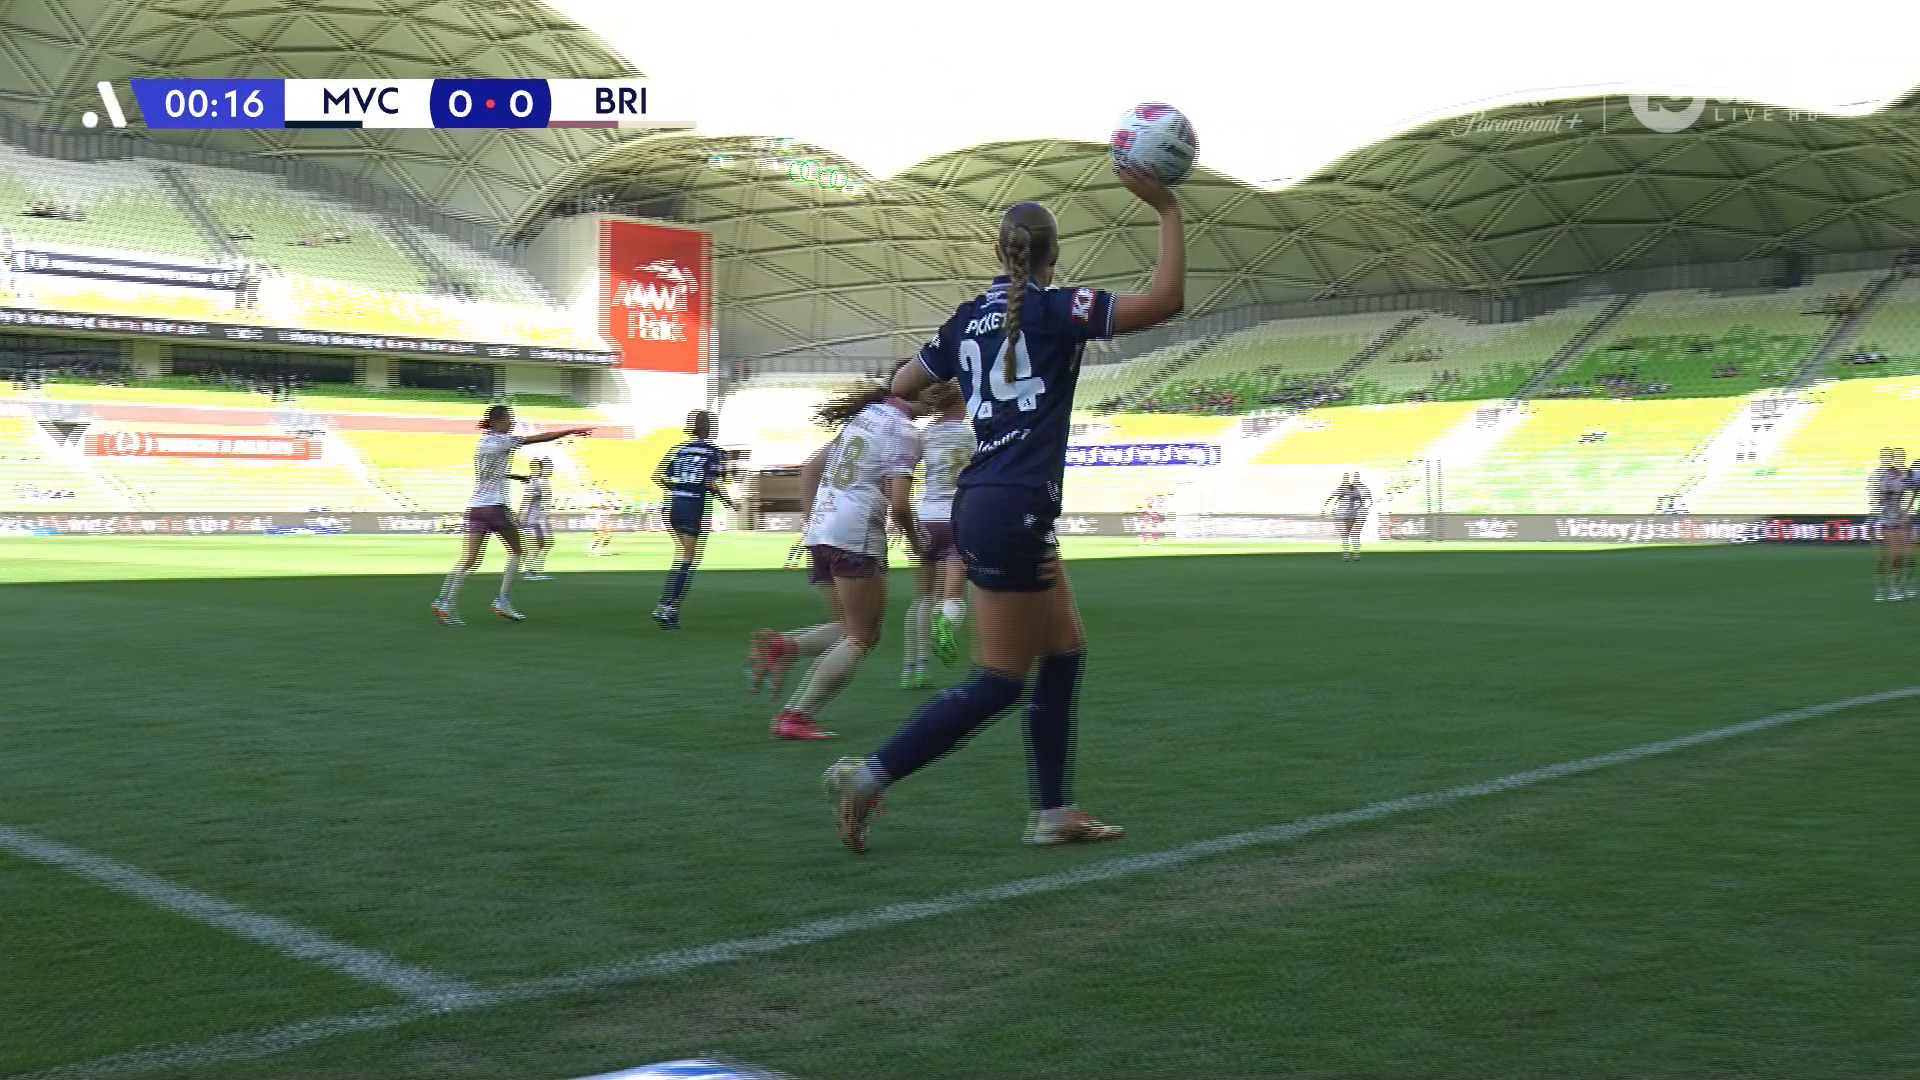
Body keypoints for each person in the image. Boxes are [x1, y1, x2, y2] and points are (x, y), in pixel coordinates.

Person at [822, 163, 1185, 852]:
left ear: (1000, 252)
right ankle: (867, 777)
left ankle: (1054, 812)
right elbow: (1165, 300)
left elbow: (905, 380)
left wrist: (953, 376)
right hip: (1014, 506)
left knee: (1065, 652)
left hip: (990, 501)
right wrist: (1166, 208)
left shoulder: (966, 320)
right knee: (1000, 679)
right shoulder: (1057, 310)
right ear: (1053, 256)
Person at [757, 383, 923, 740]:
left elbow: (810, 469)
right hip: (855, 535)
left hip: (823, 531)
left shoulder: (863, 418)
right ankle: (796, 716)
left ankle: (786, 647)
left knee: (849, 627)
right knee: (862, 637)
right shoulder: (904, 431)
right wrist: (918, 543)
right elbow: (900, 503)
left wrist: (813, 522)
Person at [432, 405, 593, 625]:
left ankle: (445, 601)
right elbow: (538, 438)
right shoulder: (503, 441)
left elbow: (495, 471)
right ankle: (502, 600)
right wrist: (569, 431)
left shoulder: (483, 443)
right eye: (509, 419)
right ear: (498, 421)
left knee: (469, 560)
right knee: (518, 551)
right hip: (495, 507)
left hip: (475, 508)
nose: (512, 423)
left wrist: (517, 477)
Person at [901, 380, 974, 687]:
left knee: (922, 597)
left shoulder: (923, 435)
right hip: (957, 519)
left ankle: (913, 669)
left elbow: (904, 473)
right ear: (960, 403)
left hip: (925, 518)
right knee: (953, 595)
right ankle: (945, 622)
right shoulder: (971, 435)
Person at [651, 409, 737, 629]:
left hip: (673, 506)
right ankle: (667, 607)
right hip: (693, 506)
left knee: (683, 557)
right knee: (688, 560)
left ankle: (669, 609)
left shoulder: (678, 449)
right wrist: (729, 503)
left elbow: (657, 476)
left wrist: (677, 489)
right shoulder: (714, 452)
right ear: (711, 428)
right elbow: (712, 484)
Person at [1869, 448, 1917, 601]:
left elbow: (1915, 490)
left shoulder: (1906, 475)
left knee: (1906, 556)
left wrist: (1908, 508)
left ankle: (1902, 587)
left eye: (1901, 457)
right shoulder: (1883, 476)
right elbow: (1879, 498)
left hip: (1901, 519)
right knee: (1892, 556)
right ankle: (1886, 590)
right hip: (1886, 519)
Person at [512, 458, 556, 580]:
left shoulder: (535, 481)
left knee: (541, 544)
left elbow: (526, 499)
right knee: (540, 544)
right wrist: (523, 517)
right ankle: (530, 571)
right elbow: (530, 500)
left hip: (537, 517)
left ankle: (530, 570)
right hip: (535, 519)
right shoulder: (537, 482)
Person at [1322, 472, 1372, 560]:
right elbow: (1333, 498)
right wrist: (1326, 508)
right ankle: (1350, 553)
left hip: (1351, 514)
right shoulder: (1343, 489)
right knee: (1347, 533)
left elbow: (1361, 502)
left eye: (1347, 478)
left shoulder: (1353, 489)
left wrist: (1356, 509)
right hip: (1345, 514)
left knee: (1351, 533)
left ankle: (1352, 553)